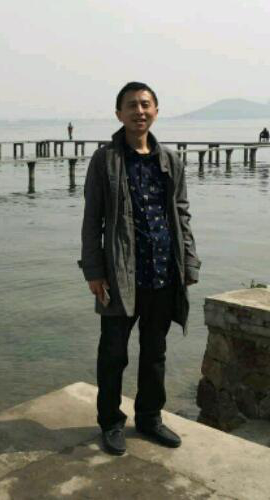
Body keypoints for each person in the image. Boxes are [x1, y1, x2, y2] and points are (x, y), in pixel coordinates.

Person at [80, 81, 201, 456]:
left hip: (163, 271)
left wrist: (189, 261)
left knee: (155, 352)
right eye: (131, 105)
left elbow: (181, 213)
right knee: (113, 353)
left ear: (156, 111)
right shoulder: (105, 160)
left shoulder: (170, 160)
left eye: (146, 104)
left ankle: (149, 417)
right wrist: (94, 271)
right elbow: (92, 219)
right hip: (120, 274)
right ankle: (111, 422)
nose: (139, 111)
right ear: (119, 113)